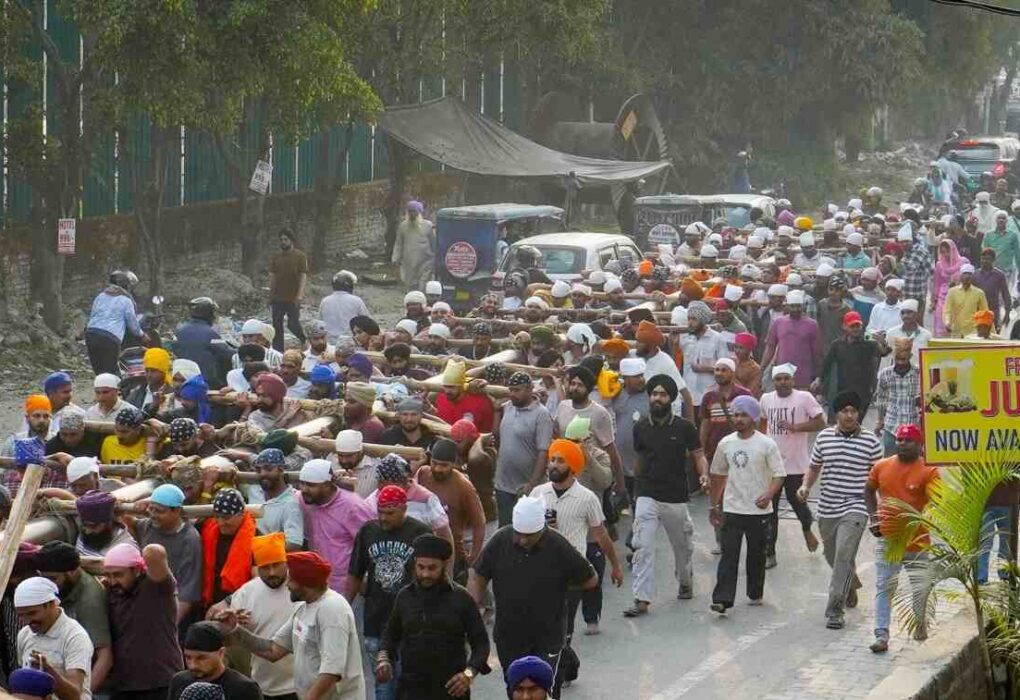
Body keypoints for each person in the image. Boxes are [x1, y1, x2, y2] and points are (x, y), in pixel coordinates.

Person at [469, 497, 596, 699]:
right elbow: (478, 576)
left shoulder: (558, 545)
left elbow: (590, 579)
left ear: (542, 529)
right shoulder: (501, 539)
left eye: (530, 535)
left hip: (548, 637)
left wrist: (559, 586)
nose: (523, 540)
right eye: (519, 534)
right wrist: (471, 608)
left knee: (543, 691)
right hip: (509, 636)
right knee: (518, 691)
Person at [220, 550, 366, 699]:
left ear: (305, 582)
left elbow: (332, 671)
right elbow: (273, 649)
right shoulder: (303, 608)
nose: (287, 585)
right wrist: (235, 629)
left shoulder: (332, 609)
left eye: (291, 580)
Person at [796, 391, 883, 629]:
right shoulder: (824, 438)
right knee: (832, 556)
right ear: (837, 414)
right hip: (827, 507)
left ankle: (835, 609)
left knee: (844, 554)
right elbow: (813, 468)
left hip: (856, 506)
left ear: (858, 414)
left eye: (853, 411)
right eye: (844, 411)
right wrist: (805, 486)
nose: (849, 415)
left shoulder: (871, 442)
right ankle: (850, 582)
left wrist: (880, 510)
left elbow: (879, 478)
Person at [377, 534, 491, 699]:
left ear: (444, 566)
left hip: (451, 689)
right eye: (421, 567)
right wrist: (383, 658)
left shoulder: (461, 598)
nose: (425, 574)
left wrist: (468, 674)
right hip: (411, 689)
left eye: (432, 568)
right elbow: (390, 636)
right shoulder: (405, 597)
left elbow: (481, 645)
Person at [530, 439, 623, 638]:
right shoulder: (538, 493)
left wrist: (615, 566)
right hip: (541, 567)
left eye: (560, 460)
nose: (554, 464)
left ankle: (562, 659)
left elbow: (601, 535)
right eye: (552, 459)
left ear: (573, 467)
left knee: (563, 626)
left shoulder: (587, 498)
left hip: (571, 569)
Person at [346, 485, 431, 700]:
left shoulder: (420, 533)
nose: (383, 518)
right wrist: (345, 606)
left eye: (390, 513)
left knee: (408, 682)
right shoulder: (368, 531)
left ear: (404, 509)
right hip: (375, 620)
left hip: (409, 622)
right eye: (380, 512)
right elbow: (355, 572)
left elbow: (430, 576)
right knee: (383, 685)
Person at [865, 424, 939, 653]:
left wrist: (925, 518)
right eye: (899, 440)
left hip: (918, 542)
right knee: (884, 587)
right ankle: (881, 635)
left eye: (908, 440)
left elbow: (937, 502)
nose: (902, 444)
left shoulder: (929, 470)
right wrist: (873, 518)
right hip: (889, 540)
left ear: (919, 445)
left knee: (920, 587)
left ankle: (919, 624)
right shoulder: (882, 466)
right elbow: (868, 490)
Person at [709, 396, 786, 614]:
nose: (739, 419)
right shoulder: (726, 444)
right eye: (736, 415)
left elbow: (779, 475)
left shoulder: (766, 444)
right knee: (729, 555)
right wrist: (714, 505)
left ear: (753, 417)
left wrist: (769, 494)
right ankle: (722, 599)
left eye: (744, 415)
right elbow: (717, 474)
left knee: (756, 554)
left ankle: (755, 592)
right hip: (732, 508)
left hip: (759, 510)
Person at [207, 533, 298, 700]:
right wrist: (232, 626)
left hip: (300, 686)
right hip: (261, 685)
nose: (271, 573)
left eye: (276, 565)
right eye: (264, 567)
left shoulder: (301, 588)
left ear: (286, 561)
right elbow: (232, 639)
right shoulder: (247, 592)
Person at [759, 364, 824, 568]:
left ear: (793, 380)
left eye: (786, 378)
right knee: (771, 509)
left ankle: (807, 530)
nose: (782, 382)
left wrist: (797, 427)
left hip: (796, 464)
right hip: (772, 465)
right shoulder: (766, 399)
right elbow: (762, 424)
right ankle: (770, 552)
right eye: (778, 379)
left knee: (798, 503)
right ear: (773, 381)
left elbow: (820, 422)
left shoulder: (804, 398)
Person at [105, 543, 184, 699]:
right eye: (109, 575)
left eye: (118, 575)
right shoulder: (112, 591)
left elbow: (154, 552)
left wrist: (137, 558)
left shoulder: (157, 586)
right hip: (124, 685)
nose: (112, 581)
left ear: (136, 570)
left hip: (161, 682)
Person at [33, 542, 113, 695]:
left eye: (53, 579)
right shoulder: (61, 588)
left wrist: (83, 695)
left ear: (72, 572)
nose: (47, 585)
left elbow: (105, 657)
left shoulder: (89, 600)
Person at [129, 484, 204, 631]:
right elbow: (127, 521)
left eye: (159, 511)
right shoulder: (149, 525)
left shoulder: (190, 539)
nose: (153, 514)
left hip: (172, 608)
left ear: (175, 511)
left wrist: (169, 625)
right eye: (151, 509)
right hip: (144, 603)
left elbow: (188, 592)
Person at [298, 458, 376, 593]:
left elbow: (370, 543)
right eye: (302, 484)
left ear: (327, 485)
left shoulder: (353, 506)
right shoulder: (306, 500)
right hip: (317, 583)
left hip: (345, 586)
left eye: (310, 485)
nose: (304, 489)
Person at [416, 439, 487, 585]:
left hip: (451, 555)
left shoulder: (464, 486)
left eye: (444, 465)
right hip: (421, 553)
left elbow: (479, 523)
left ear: (454, 464)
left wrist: (473, 556)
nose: (437, 469)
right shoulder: (422, 474)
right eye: (434, 463)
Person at [14, 577, 93, 700]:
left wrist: (48, 671)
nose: (27, 621)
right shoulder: (24, 634)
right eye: (21, 615)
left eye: (32, 613)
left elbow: (75, 695)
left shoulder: (75, 636)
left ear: (51, 604)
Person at [554, 367, 626, 501]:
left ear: (589, 389)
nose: (574, 388)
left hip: (589, 480)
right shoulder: (563, 406)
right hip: (564, 476)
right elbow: (556, 436)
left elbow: (611, 449)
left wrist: (620, 484)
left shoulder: (599, 413)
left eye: (580, 385)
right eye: (573, 383)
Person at [494, 372, 555, 527]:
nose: (512, 394)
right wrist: (495, 411)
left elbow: (544, 451)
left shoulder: (541, 414)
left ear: (529, 389)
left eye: (517, 390)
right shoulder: (508, 407)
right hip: (503, 485)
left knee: (529, 529)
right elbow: (497, 436)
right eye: (511, 390)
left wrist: (532, 484)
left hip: (527, 487)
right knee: (506, 530)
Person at [168, 622, 263, 699]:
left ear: (221, 653)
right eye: (188, 657)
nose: (193, 665)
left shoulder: (245, 689)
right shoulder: (179, 682)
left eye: (201, 658)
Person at [817, 311, 885, 419]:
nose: (855, 329)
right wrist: (819, 380)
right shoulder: (837, 345)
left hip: (863, 392)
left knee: (857, 422)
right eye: (852, 326)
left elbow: (884, 353)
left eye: (858, 326)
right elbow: (826, 364)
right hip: (843, 390)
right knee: (844, 421)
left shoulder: (869, 343)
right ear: (845, 327)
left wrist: (882, 343)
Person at [200, 488, 256, 609]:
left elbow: (257, 583)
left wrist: (228, 602)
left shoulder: (257, 539)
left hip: (240, 605)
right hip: (208, 601)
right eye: (217, 517)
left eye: (226, 518)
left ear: (241, 514)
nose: (220, 523)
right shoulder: (207, 528)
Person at [85, 270, 142, 376]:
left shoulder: (100, 296)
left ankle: (100, 390)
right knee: (111, 371)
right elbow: (133, 326)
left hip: (91, 334)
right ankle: (116, 390)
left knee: (99, 371)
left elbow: (93, 315)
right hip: (110, 338)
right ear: (126, 286)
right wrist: (143, 335)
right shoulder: (126, 300)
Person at [761, 291, 820, 390]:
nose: (796, 309)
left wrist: (818, 375)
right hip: (782, 374)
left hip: (803, 374)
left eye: (798, 306)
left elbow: (817, 352)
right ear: (787, 306)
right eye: (793, 306)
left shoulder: (812, 325)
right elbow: (770, 347)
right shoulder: (778, 323)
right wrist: (762, 368)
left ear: (802, 307)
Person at [247, 449, 304, 550]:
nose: (262, 474)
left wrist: (260, 539)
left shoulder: (290, 505)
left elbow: (293, 545)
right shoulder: (254, 490)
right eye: (258, 470)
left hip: (270, 563)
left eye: (268, 469)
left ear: (281, 469)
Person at [174, 297, 234, 390]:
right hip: (208, 383)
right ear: (209, 313)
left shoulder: (180, 332)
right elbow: (226, 353)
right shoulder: (211, 334)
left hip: (184, 380)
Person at [874, 340, 921, 455]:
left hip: (913, 424)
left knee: (914, 463)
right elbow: (881, 399)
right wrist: (880, 421)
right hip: (892, 425)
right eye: (898, 359)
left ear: (910, 356)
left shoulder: (918, 372)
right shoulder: (885, 374)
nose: (900, 363)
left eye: (904, 359)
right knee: (891, 462)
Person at [677, 304, 725, 418]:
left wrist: (705, 368)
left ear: (703, 320)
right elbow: (677, 361)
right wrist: (673, 343)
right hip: (688, 396)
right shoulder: (684, 337)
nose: (690, 323)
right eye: (688, 319)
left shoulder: (717, 339)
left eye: (694, 319)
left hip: (708, 395)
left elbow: (725, 368)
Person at [268, 229, 307, 352]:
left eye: (286, 240)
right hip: (278, 297)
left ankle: (304, 339)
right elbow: (273, 276)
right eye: (281, 240)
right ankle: (278, 352)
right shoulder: (276, 257)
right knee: (277, 327)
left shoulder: (300, 256)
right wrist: (270, 296)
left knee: (293, 324)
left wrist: (299, 295)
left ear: (291, 240)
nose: (283, 242)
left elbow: (303, 276)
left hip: (292, 297)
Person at [75, 490, 138, 557]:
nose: (87, 531)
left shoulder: (126, 550)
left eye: (93, 526)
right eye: (84, 525)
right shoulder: (89, 533)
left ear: (110, 522)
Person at [435, 360, 494, 432]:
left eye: (452, 387)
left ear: (461, 386)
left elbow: (487, 431)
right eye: (445, 387)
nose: (447, 391)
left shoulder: (481, 402)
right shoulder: (441, 397)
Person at [392, 200, 436, 291]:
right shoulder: (403, 226)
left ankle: (423, 301)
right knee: (411, 286)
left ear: (419, 212)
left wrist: (436, 259)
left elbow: (434, 243)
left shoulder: (428, 226)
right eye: (410, 211)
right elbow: (398, 244)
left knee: (423, 286)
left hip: (426, 263)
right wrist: (395, 260)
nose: (412, 214)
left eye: (414, 211)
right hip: (409, 264)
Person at [320, 271, 369, 344]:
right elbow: (368, 321)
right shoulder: (356, 301)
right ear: (350, 286)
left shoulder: (324, 301)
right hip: (349, 343)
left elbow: (320, 323)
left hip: (328, 342)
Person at [898, 222, 935, 318]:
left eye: (906, 241)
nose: (904, 244)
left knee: (917, 322)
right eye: (901, 242)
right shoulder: (906, 251)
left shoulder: (920, 250)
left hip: (917, 295)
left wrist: (933, 296)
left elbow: (931, 273)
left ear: (911, 240)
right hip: (905, 294)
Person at [942, 263, 989, 338]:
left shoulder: (979, 293)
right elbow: (947, 310)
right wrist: (947, 322)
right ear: (960, 276)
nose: (967, 276)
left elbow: (985, 313)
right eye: (965, 274)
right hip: (956, 331)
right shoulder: (952, 292)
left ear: (973, 276)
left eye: (970, 274)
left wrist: (985, 331)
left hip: (973, 333)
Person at [931, 239, 966, 337]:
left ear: (953, 250)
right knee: (941, 320)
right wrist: (934, 300)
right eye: (942, 252)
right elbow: (937, 283)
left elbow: (969, 278)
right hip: (943, 296)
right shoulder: (939, 264)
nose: (946, 254)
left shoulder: (963, 262)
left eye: (948, 251)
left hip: (960, 294)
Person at [973, 248, 1012, 331]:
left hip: (993, 311)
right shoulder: (975, 275)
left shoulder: (999, 275)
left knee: (994, 336)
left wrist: (1007, 313)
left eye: (988, 259)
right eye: (983, 259)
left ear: (993, 260)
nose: (985, 261)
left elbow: (1005, 294)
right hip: (978, 312)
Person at [126, 347, 174, 413]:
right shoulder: (137, 393)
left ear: (163, 371)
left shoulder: (172, 393)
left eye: (153, 371)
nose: (149, 374)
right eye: (147, 370)